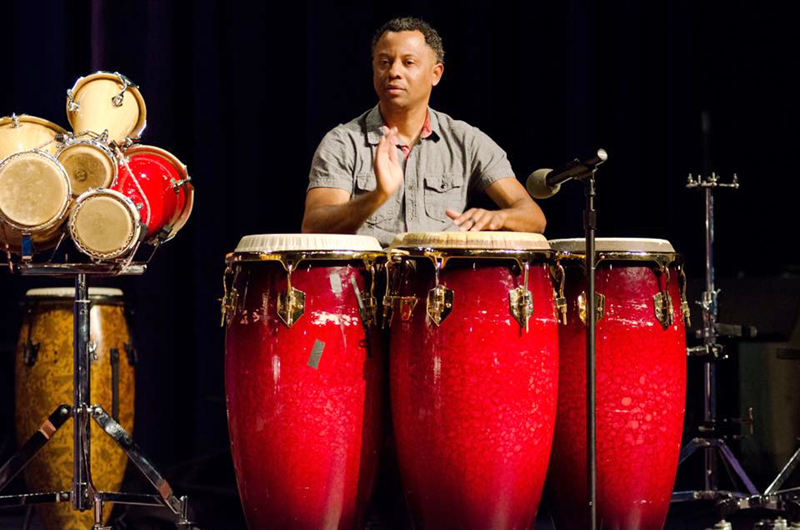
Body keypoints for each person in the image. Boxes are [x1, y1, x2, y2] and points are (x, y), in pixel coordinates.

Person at [302, 17, 545, 246]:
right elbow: (313, 227)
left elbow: (533, 216)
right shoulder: (343, 142)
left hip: (442, 285)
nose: (394, 72)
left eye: (408, 62)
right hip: (367, 285)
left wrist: (498, 219)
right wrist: (378, 196)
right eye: (384, 62)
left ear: (435, 74)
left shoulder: (466, 141)